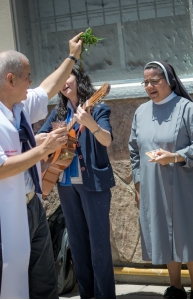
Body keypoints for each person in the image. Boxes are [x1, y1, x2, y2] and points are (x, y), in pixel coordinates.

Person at [0, 34, 83, 298]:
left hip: (32, 206)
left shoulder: (18, 105)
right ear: (10, 79)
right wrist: (42, 150)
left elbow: (49, 86)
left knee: (44, 281)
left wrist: (71, 57)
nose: (31, 82)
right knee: (12, 283)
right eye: (27, 76)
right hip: (6, 213)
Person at [129, 61, 193, 299]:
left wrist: (176, 157)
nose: (149, 86)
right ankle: (176, 287)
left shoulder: (186, 108)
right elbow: (134, 151)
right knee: (163, 235)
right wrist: (138, 187)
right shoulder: (141, 112)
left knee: (189, 234)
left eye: (154, 81)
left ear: (169, 81)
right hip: (153, 186)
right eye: (145, 82)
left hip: (184, 184)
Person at [38, 65, 116, 299]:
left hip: (94, 184)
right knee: (78, 244)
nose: (64, 83)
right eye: (60, 79)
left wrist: (91, 124)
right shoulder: (58, 113)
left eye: (67, 76)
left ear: (79, 78)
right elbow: (40, 139)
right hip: (65, 184)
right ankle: (86, 294)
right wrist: (51, 138)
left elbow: (107, 140)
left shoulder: (99, 106)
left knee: (99, 245)